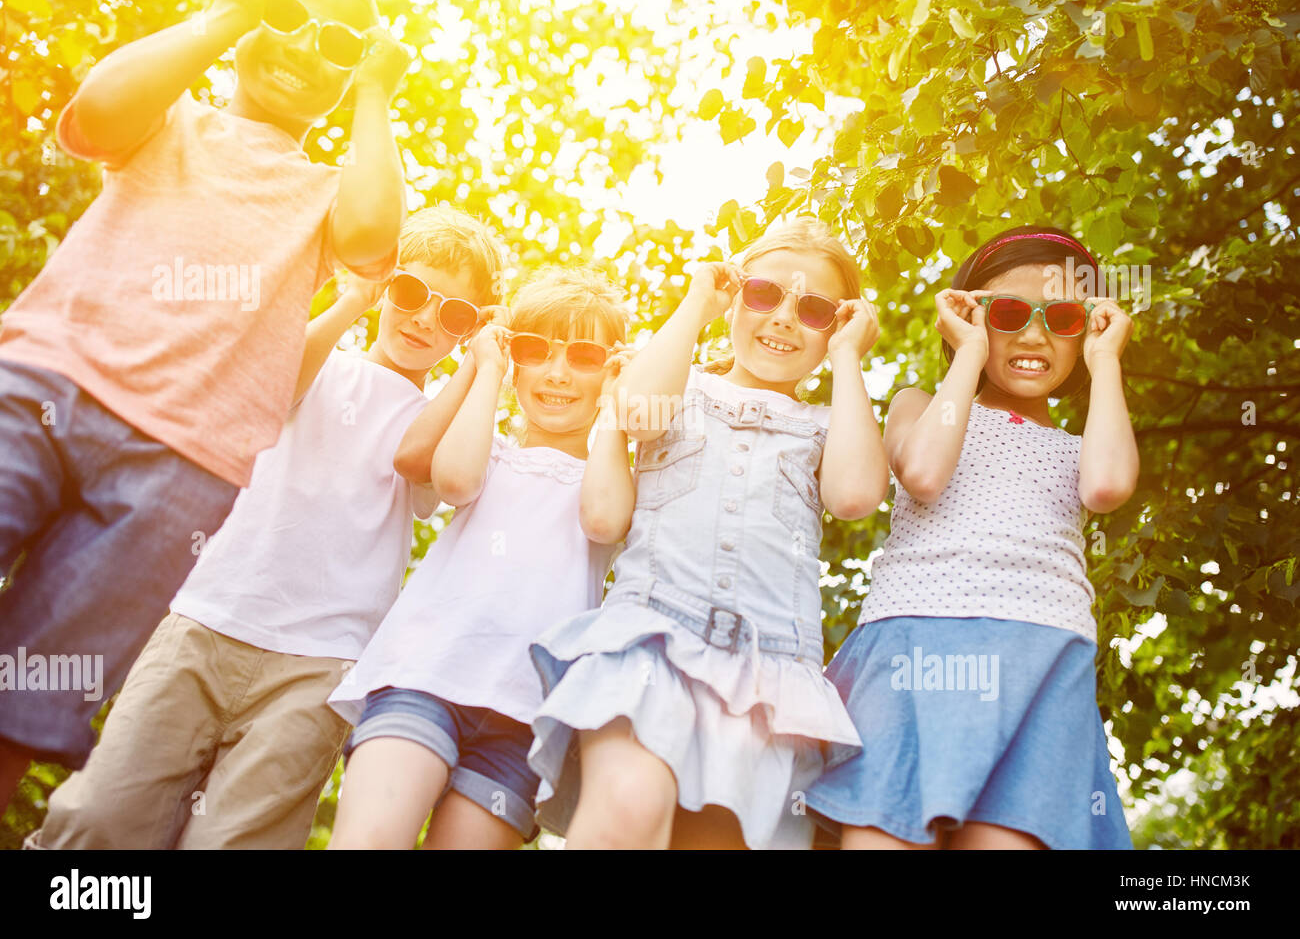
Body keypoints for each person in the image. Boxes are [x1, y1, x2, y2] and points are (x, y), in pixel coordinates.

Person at [0, 0, 411, 807]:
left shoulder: (326, 194)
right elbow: (97, 112)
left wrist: (375, 92)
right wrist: (231, 12)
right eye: (288, 17)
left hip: (176, 472)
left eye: (336, 45)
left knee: (31, 701)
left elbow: (373, 237)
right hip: (42, 391)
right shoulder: (172, 119)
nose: (304, 47)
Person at [25, 206, 505, 849]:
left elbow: (418, 460)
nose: (424, 318)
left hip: (319, 663)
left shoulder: (442, 423)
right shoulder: (321, 361)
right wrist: (348, 302)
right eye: (412, 292)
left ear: (468, 331)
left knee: (236, 840)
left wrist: (479, 365)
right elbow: (277, 385)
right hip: (206, 621)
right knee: (102, 819)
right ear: (386, 284)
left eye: (452, 314)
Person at [528, 219, 890, 849]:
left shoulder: (826, 424)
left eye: (812, 310)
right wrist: (697, 301)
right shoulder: (682, 387)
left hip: (768, 674)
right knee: (626, 810)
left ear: (836, 326)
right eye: (763, 295)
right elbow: (633, 412)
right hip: (652, 642)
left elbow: (856, 495)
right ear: (734, 296)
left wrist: (849, 358)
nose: (782, 318)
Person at [806, 225, 1138, 850]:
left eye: (1062, 317)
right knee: (882, 835)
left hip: (1041, 654)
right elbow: (925, 474)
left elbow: (1109, 486)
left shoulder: (1079, 447)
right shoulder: (917, 404)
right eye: (1009, 313)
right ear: (969, 317)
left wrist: (1107, 360)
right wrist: (968, 353)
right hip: (915, 639)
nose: (1035, 334)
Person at [327, 266, 630, 849]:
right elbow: (455, 480)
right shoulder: (489, 452)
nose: (558, 373)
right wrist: (486, 366)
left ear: (611, 370)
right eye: (536, 351)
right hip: (423, 677)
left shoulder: (614, 479)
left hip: (523, 716)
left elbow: (602, 520)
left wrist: (619, 407)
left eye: (586, 357)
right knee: (368, 840)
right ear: (515, 361)